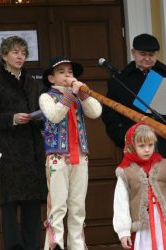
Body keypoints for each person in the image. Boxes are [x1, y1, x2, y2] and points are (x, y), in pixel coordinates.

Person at [0, 36, 47, 250]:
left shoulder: (33, 82)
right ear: (4, 55)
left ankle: (32, 246)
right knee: (9, 205)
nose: (20, 57)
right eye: (15, 52)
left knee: (32, 205)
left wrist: (39, 117)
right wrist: (12, 118)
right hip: (9, 151)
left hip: (33, 150)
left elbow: (43, 112)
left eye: (23, 53)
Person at [102, 33, 166, 175]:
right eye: (143, 54)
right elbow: (109, 113)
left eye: (152, 54)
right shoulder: (119, 79)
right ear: (133, 53)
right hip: (135, 144)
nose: (148, 58)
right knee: (139, 191)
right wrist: (122, 136)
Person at [39, 56, 102, 250]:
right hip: (57, 158)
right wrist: (70, 95)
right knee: (58, 207)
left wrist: (82, 94)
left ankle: (77, 246)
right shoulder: (46, 97)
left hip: (80, 157)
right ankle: (54, 246)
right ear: (51, 79)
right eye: (61, 72)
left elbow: (96, 112)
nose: (67, 75)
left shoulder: (78, 95)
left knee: (77, 207)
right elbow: (55, 116)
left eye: (70, 72)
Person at [113, 122, 166, 250]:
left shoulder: (164, 164)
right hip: (143, 227)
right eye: (141, 146)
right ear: (131, 146)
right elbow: (120, 203)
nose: (147, 149)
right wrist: (123, 231)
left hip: (164, 223)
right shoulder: (125, 171)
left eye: (150, 145)